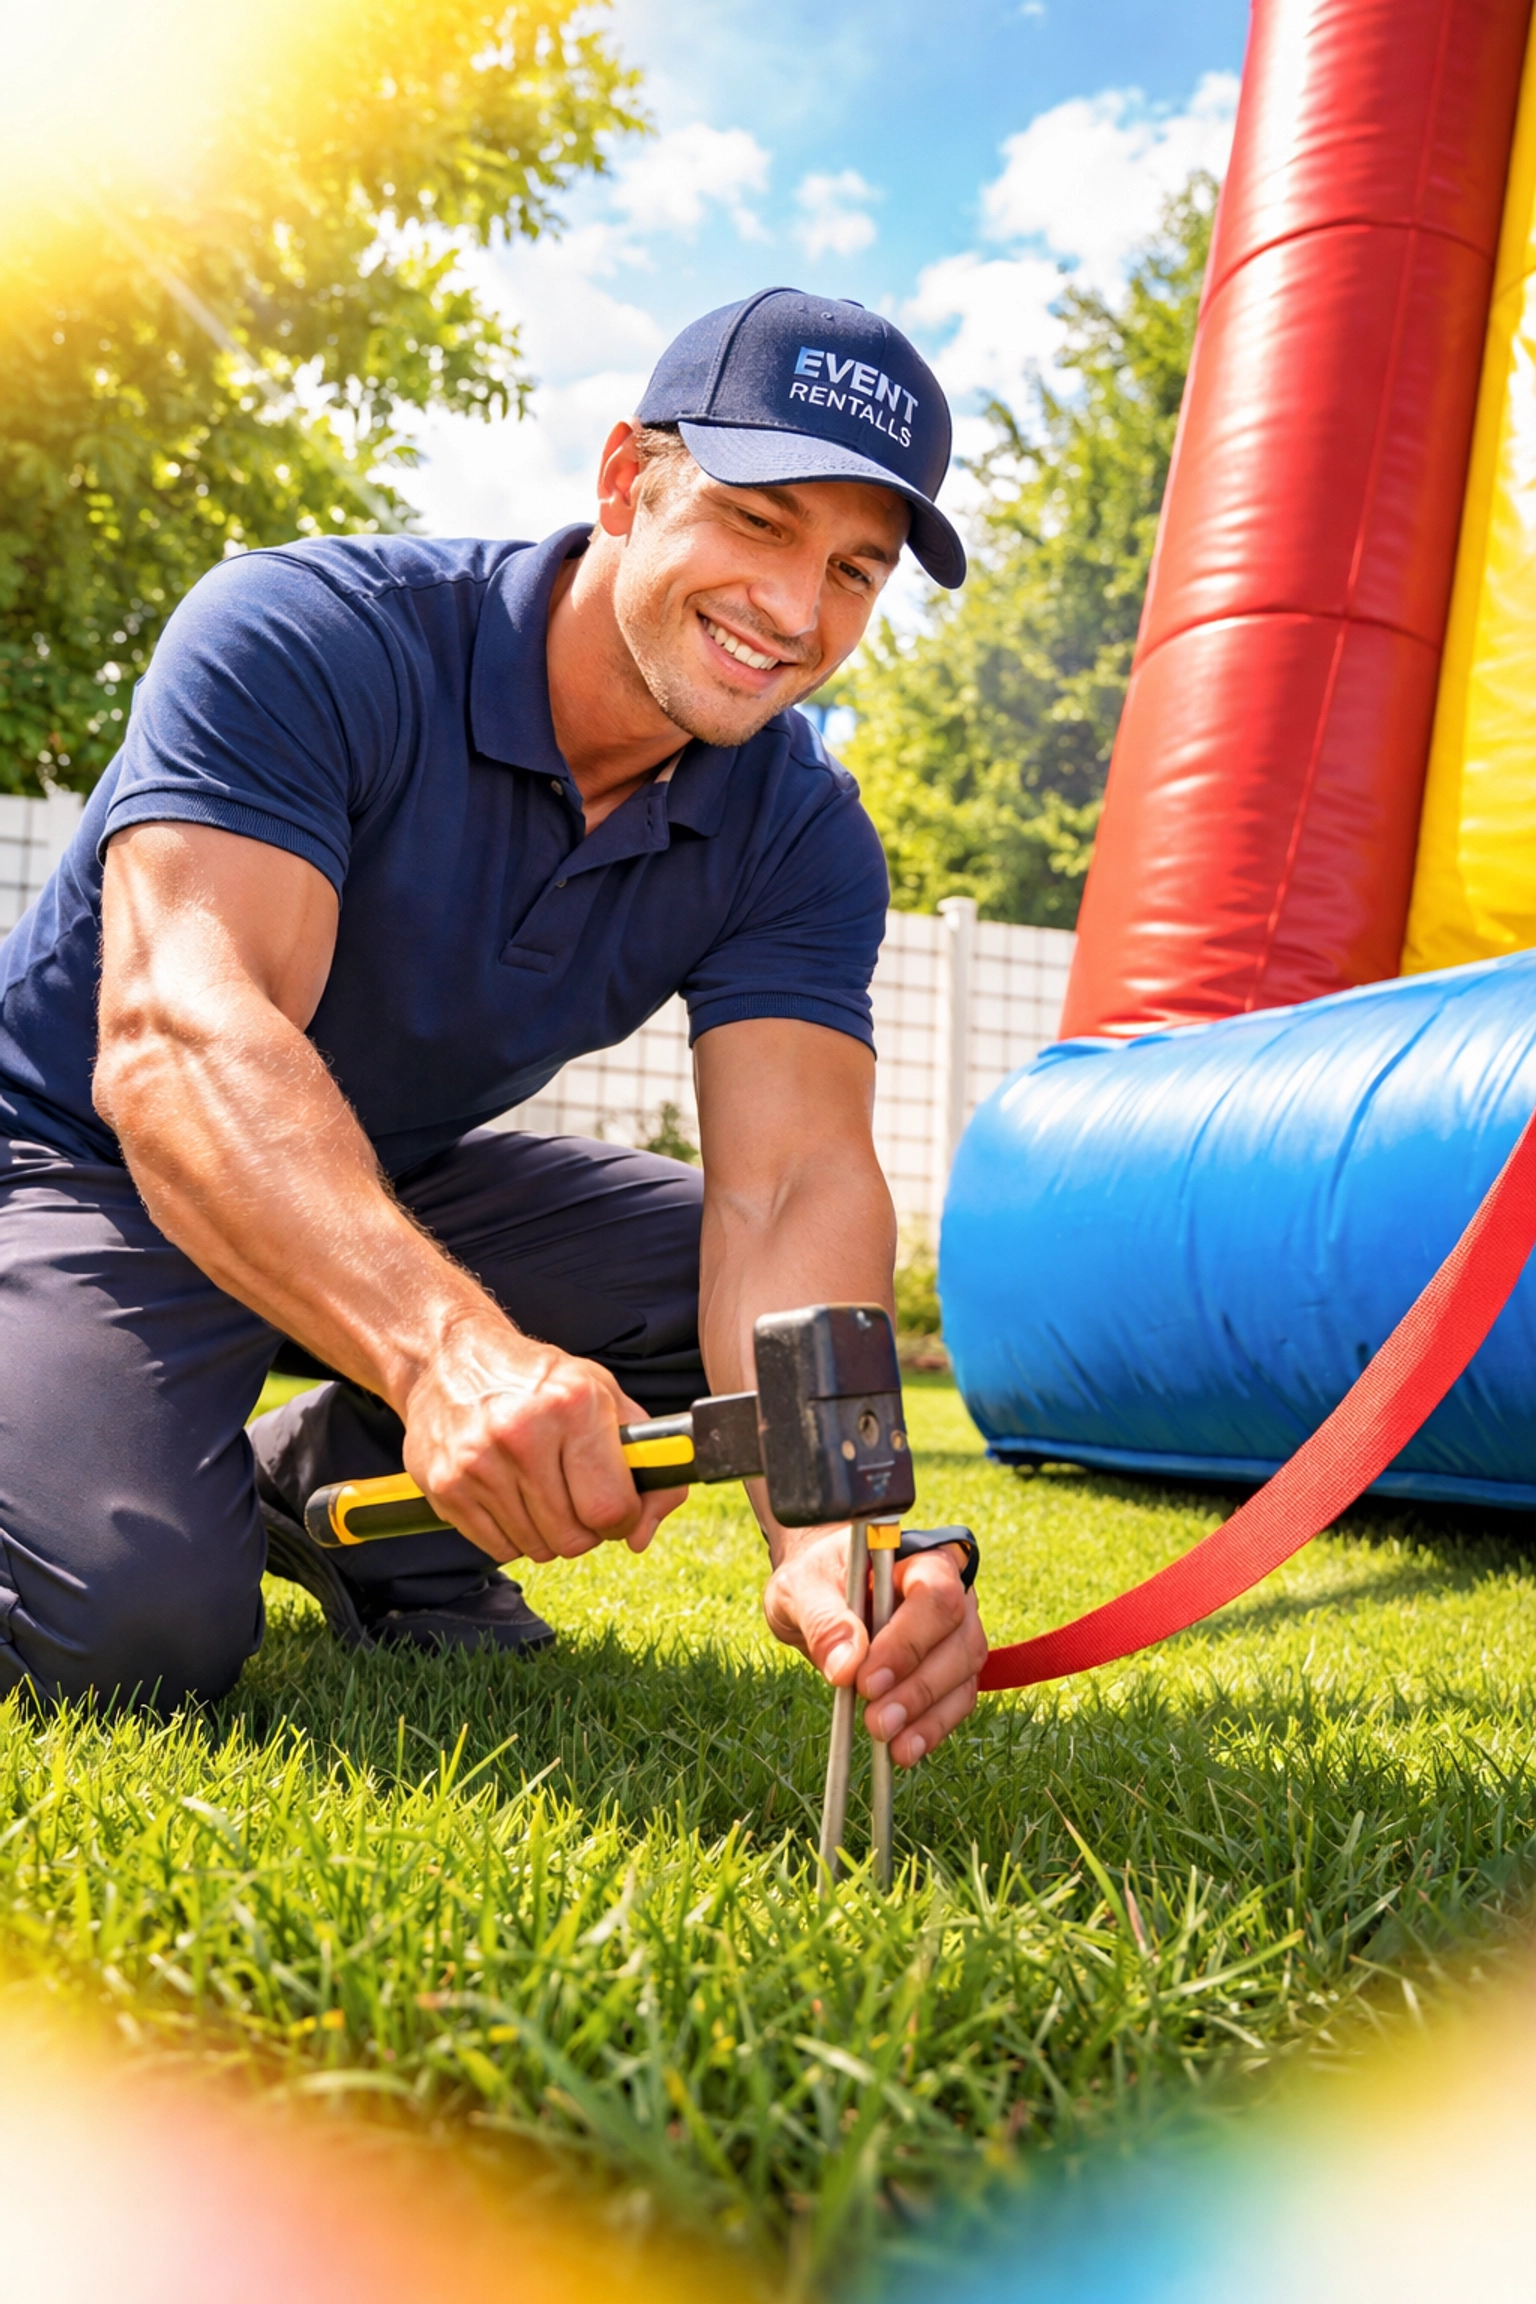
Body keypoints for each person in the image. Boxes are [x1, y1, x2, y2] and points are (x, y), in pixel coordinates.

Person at [0, 286, 989, 1759]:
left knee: (697, 1284)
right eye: (759, 523)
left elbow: (792, 1189)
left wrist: (833, 1529)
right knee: (132, 1625)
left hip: (381, 1171)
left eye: (854, 568)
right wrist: (446, 1352)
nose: (796, 611)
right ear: (622, 484)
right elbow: (181, 1042)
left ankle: (344, 1503)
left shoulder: (799, 830)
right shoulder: (308, 634)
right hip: (80, 1166)